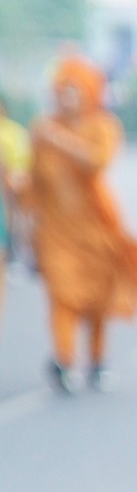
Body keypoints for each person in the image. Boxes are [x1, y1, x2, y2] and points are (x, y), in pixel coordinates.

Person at [27, 55, 137, 394]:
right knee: (62, 295)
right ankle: (64, 360)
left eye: (75, 90)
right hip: (55, 231)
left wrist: (60, 140)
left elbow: (97, 161)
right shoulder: (42, 129)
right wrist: (26, 230)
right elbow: (33, 183)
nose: (67, 97)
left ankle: (97, 360)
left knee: (96, 297)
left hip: (96, 227)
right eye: (63, 89)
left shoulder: (101, 127)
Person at [0, 93, 31, 335]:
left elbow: (22, 163)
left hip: (11, 190)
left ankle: (16, 254)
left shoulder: (13, 132)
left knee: (15, 222)